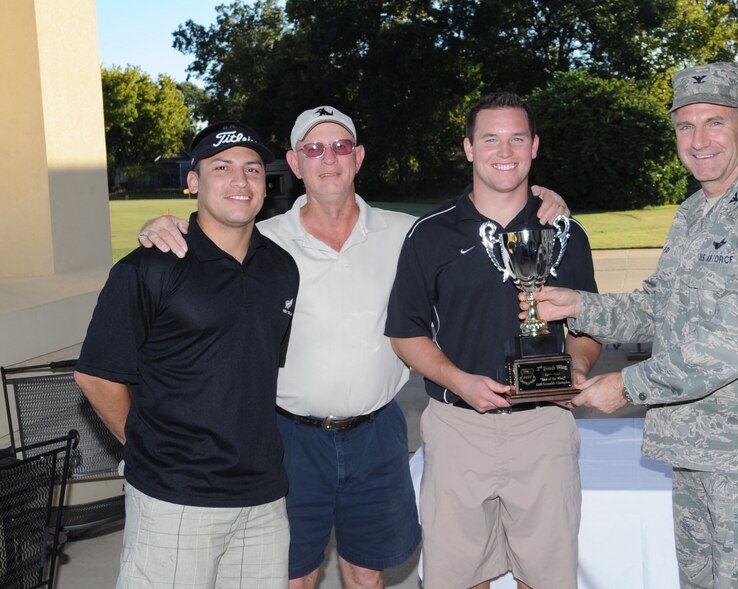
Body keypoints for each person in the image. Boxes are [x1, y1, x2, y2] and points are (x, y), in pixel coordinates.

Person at [137, 105, 571, 589]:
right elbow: (205, 235)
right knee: (293, 575)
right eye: (313, 149)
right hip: (288, 437)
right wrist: (163, 226)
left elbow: (484, 215)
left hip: (377, 433)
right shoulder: (259, 240)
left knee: (367, 573)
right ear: (295, 162)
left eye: (341, 146)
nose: (329, 159)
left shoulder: (405, 232)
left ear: (358, 157)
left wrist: (541, 196)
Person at [523, 62, 738, 588]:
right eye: (686, 125)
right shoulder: (693, 213)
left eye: (715, 122)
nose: (699, 139)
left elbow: (734, 343)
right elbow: (658, 308)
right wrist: (578, 305)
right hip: (697, 450)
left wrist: (625, 386)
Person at [384, 92, 602, 589]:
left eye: (516, 138)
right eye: (490, 139)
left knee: (545, 576)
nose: (504, 151)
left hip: (544, 425)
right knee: (457, 577)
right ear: (468, 147)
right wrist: (459, 380)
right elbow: (405, 332)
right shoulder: (430, 234)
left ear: (534, 146)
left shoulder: (566, 233)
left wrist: (577, 368)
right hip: (459, 428)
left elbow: (589, 328)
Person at [74, 122, 298, 588]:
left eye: (252, 169)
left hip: (263, 499)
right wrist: (141, 448)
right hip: (174, 501)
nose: (240, 181)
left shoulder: (281, 268)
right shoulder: (149, 266)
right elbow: (96, 377)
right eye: (222, 168)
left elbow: (254, 373)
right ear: (192, 181)